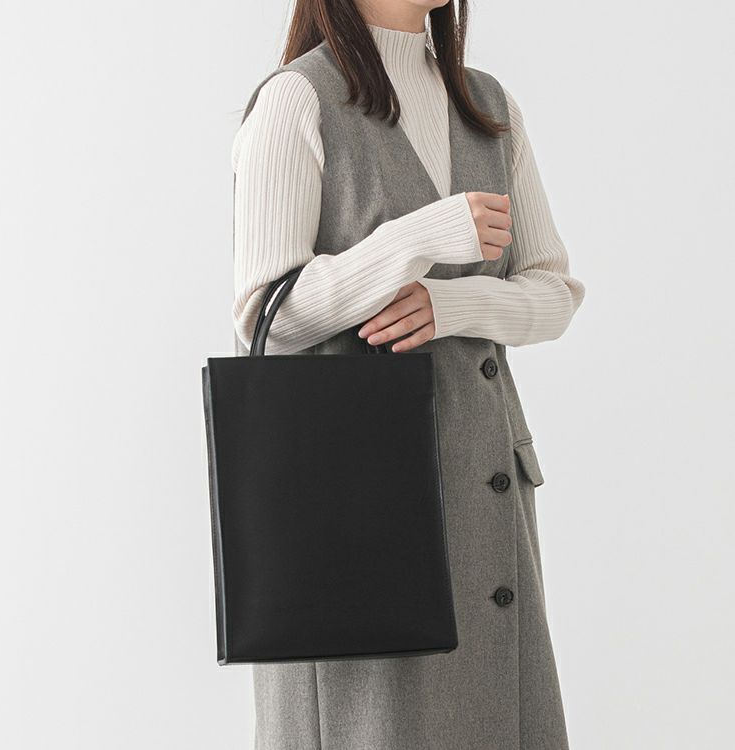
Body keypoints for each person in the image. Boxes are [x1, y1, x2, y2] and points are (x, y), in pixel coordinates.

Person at [230, 1, 585, 748]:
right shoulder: (298, 99)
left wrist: (447, 304)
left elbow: (554, 296)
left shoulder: (488, 105)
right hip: (359, 504)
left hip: (483, 486)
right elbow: (267, 314)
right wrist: (418, 237)